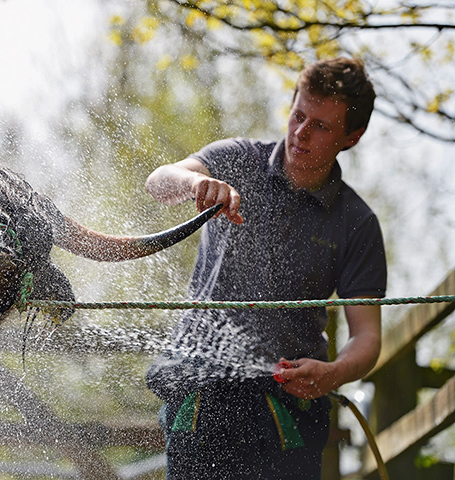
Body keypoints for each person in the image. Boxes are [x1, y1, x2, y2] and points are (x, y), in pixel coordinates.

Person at [144, 57, 387, 479]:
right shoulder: (236, 159)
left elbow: (367, 336)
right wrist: (195, 184)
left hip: (288, 412)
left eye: (321, 126)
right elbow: (159, 182)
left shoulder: (358, 223)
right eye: (298, 115)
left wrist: (332, 374)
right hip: (200, 394)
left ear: (352, 137)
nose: (300, 133)